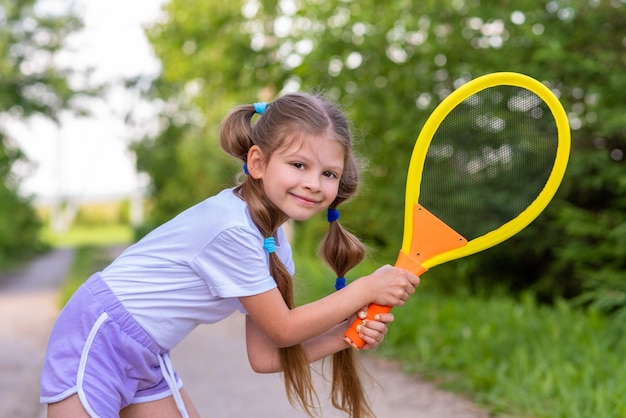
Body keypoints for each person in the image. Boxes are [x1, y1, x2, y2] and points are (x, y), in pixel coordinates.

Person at [40, 92, 420, 418]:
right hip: (98, 338)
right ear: (257, 163)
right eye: (299, 165)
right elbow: (283, 328)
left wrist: (344, 336)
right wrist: (366, 288)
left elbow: (267, 357)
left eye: (329, 174)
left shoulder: (273, 243)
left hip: (145, 353)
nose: (313, 183)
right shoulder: (233, 229)